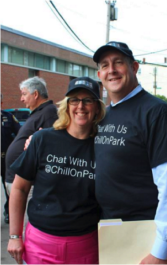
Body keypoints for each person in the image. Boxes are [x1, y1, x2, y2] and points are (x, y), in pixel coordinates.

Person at [93, 41, 167, 265]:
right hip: (111, 231)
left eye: (118, 63)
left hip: (145, 233)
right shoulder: (105, 115)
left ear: (134, 67)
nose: (112, 70)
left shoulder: (157, 112)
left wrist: (160, 251)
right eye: (105, 65)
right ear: (99, 74)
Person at [7, 77, 106, 265]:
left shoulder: (104, 146)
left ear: (97, 107)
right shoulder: (43, 139)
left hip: (86, 246)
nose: (81, 106)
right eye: (75, 100)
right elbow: (19, 189)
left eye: (88, 100)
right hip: (40, 245)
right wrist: (14, 235)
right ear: (67, 105)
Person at [5, 77, 58, 224]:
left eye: (24, 94)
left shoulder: (49, 113)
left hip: (28, 183)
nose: (21, 99)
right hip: (18, 180)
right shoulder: (39, 112)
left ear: (35, 94)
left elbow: (52, 150)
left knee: (30, 226)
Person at [0, 92, 21, 224]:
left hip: (4, 159)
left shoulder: (8, 117)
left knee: (9, 187)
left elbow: (20, 134)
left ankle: (9, 212)